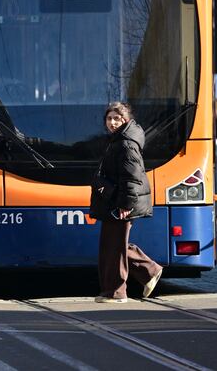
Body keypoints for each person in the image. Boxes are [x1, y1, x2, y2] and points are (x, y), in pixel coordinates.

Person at [90, 101, 162, 302]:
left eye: (117, 119)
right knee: (112, 245)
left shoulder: (126, 143)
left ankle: (117, 292)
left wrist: (125, 205)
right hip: (114, 200)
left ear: (125, 120)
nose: (112, 123)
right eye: (109, 118)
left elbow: (132, 177)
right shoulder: (117, 140)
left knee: (114, 247)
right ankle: (150, 271)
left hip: (121, 203)